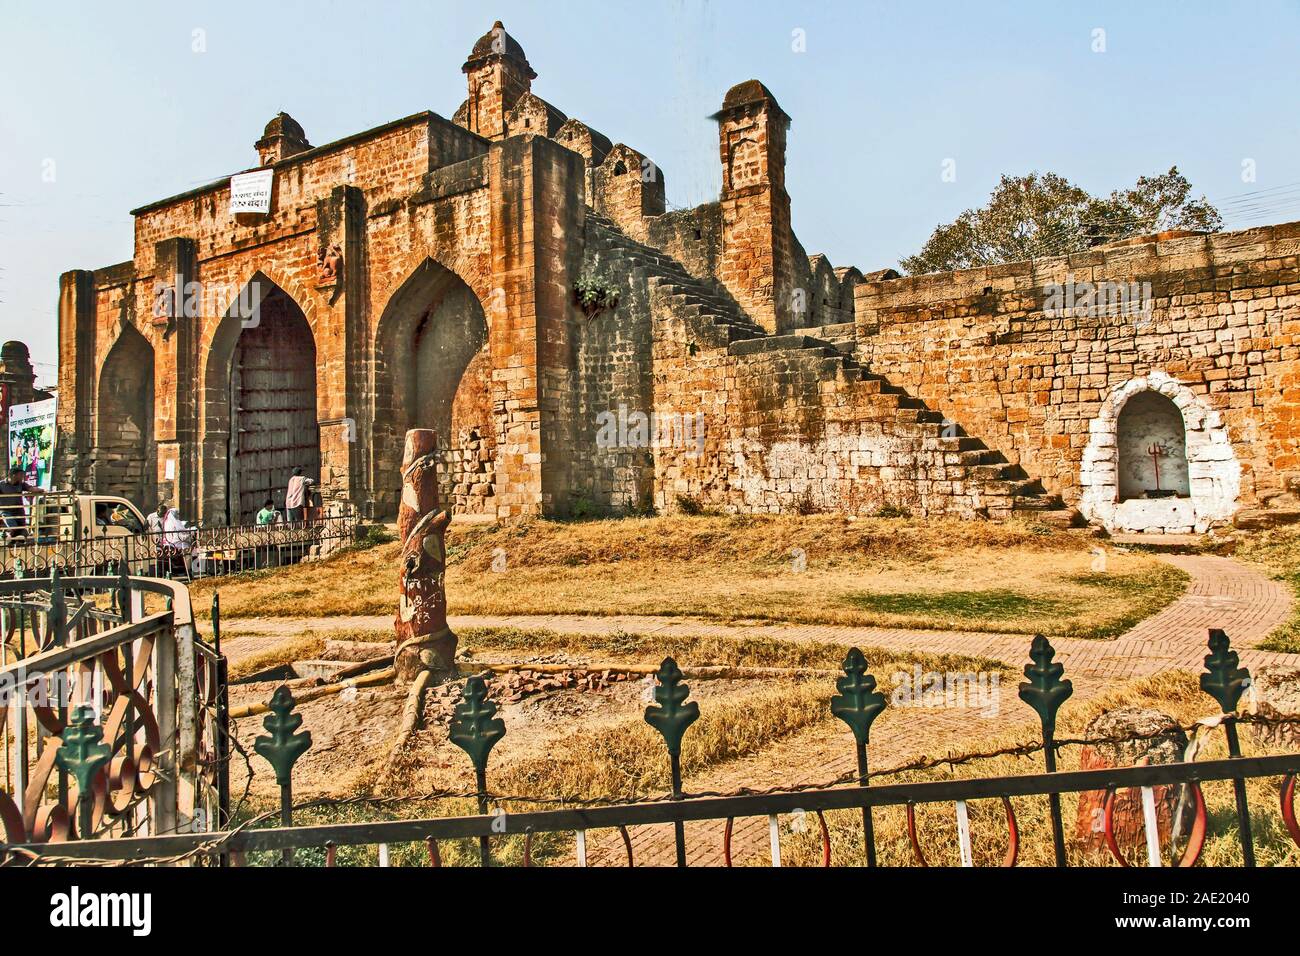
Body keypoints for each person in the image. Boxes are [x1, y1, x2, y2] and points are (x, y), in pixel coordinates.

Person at [0, 466, 40, 541]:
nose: (22, 476)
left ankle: (18, 543)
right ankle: (7, 541)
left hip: (19, 510)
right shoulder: (1, 485)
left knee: (22, 528)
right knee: (13, 527)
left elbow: (31, 489)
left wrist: (41, 490)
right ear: (13, 475)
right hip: (6, 510)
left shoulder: (21, 484)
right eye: (21, 474)